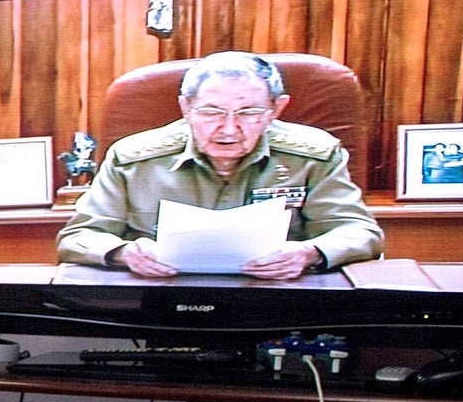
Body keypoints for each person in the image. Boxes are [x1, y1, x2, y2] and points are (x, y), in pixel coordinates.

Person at [57, 51, 384, 280]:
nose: (228, 129)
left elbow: (360, 232)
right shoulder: (132, 158)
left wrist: (308, 252)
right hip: (163, 303)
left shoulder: (314, 154)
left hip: (277, 300)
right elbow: (79, 236)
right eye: (211, 112)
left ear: (276, 109)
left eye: (248, 113)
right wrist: (124, 253)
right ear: (186, 107)